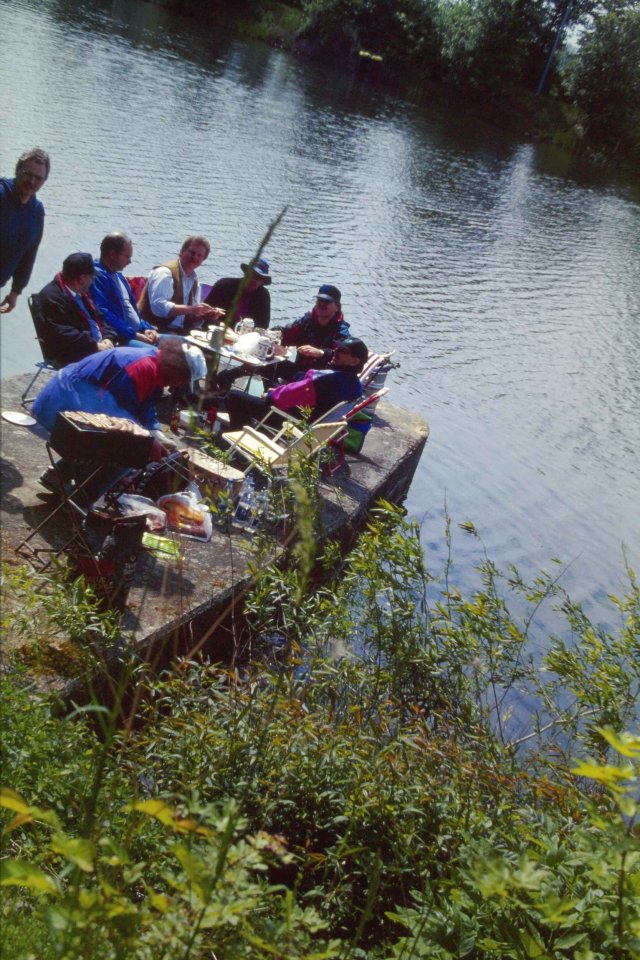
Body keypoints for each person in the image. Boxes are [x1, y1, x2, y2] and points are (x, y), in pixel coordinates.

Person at [33, 337, 207, 450]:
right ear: (177, 369)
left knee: (134, 442)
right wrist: (147, 440)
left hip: (79, 400)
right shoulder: (139, 369)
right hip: (59, 406)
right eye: (183, 379)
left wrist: (154, 430)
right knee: (127, 451)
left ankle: (61, 475)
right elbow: (115, 413)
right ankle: (80, 490)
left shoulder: (157, 364)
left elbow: (146, 404)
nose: (180, 384)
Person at [216, 283, 350, 392]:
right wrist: (277, 333)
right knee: (269, 359)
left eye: (326, 302)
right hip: (298, 371)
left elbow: (342, 357)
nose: (321, 304)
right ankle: (232, 378)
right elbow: (289, 333)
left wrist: (321, 353)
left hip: (319, 380)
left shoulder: (341, 331)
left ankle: (272, 396)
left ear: (337, 307)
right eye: (319, 300)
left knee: (272, 362)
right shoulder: (308, 320)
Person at [223, 338, 368, 432]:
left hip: (290, 421)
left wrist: (270, 394)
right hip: (309, 422)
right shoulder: (356, 386)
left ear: (355, 361)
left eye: (342, 351)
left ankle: (238, 436)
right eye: (337, 348)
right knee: (275, 383)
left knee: (233, 397)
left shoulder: (329, 378)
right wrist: (277, 390)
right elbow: (302, 392)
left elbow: (286, 396)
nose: (336, 352)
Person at [38, 252, 115, 367]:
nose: (92, 281)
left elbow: (100, 318)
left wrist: (108, 338)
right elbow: (64, 334)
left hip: (97, 348)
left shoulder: (81, 294)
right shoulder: (52, 298)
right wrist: (95, 346)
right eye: (92, 277)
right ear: (82, 278)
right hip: (75, 355)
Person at [137, 235, 221, 335]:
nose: (194, 257)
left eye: (199, 255)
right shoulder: (165, 273)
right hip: (152, 329)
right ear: (182, 251)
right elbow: (158, 307)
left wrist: (204, 314)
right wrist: (192, 309)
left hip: (177, 331)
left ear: (203, 260)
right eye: (192, 252)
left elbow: (189, 315)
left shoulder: (194, 281)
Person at [0, 147, 50, 314]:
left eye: (38, 178)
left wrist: (16, 291)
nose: (32, 181)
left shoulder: (36, 211)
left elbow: (29, 254)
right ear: (17, 170)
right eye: (28, 174)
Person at [91, 233, 161, 348]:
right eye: (127, 257)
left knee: (184, 344)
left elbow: (132, 312)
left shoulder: (118, 276)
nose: (130, 262)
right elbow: (104, 314)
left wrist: (147, 328)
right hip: (122, 338)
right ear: (112, 255)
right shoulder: (97, 278)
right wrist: (134, 335)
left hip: (138, 332)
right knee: (162, 354)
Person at [204, 256, 272, 329]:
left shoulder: (263, 296)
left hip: (246, 334)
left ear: (262, 281)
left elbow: (263, 325)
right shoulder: (224, 286)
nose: (253, 279)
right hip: (216, 329)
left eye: (258, 277)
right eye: (251, 274)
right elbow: (206, 313)